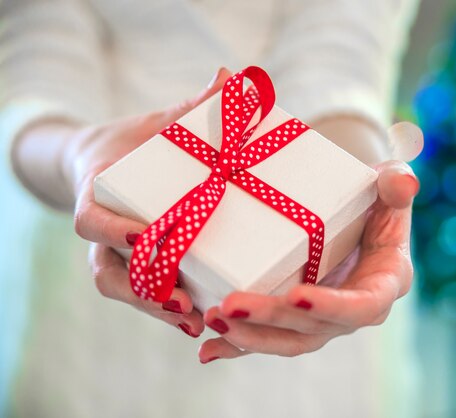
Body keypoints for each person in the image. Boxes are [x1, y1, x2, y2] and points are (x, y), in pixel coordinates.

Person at [0, 0, 423, 416]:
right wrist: (79, 157)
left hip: (305, 284)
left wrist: (355, 190)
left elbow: (337, 63)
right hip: (107, 232)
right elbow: (40, 75)